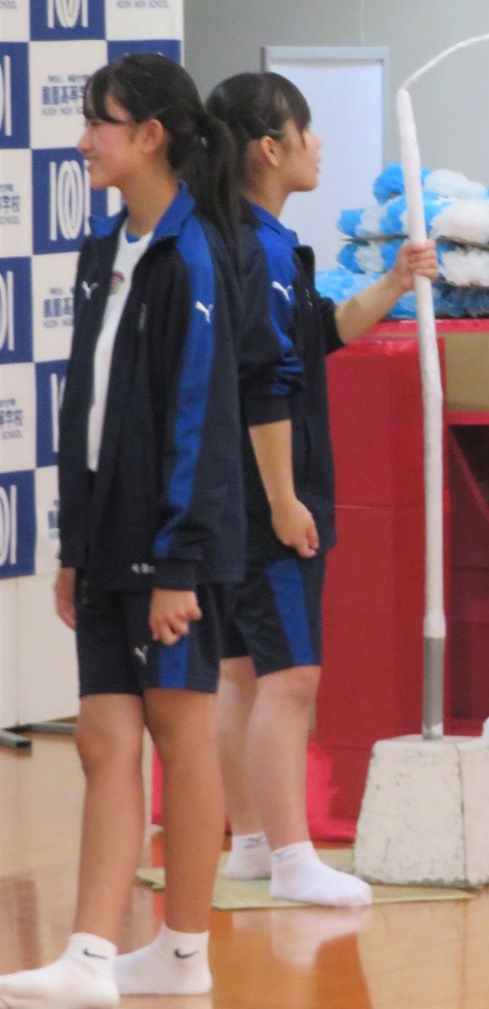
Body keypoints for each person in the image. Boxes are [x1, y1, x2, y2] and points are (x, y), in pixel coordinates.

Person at [0, 53, 269, 1006]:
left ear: (151, 136)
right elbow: (86, 409)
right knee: (103, 740)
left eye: (99, 124)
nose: (83, 142)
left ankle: (185, 954)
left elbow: (200, 416)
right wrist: (75, 548)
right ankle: (90, 954)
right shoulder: (102, 252)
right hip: (110, 542)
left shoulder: (198, 253)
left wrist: (180, 564)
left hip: (176, 547)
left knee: (180, 735)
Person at [205, 71, 437, 908]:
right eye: (306, 131)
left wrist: (396, 282)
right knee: (291, 676)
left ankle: (252, 844)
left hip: (231, 496)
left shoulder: (253, 241)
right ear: (271, 149)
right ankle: (293, 856)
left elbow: (315, 336)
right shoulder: (256, 249)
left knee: (241, 671)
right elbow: (264, 385)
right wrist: (283, 499)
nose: (319, 143)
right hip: (262, 498)